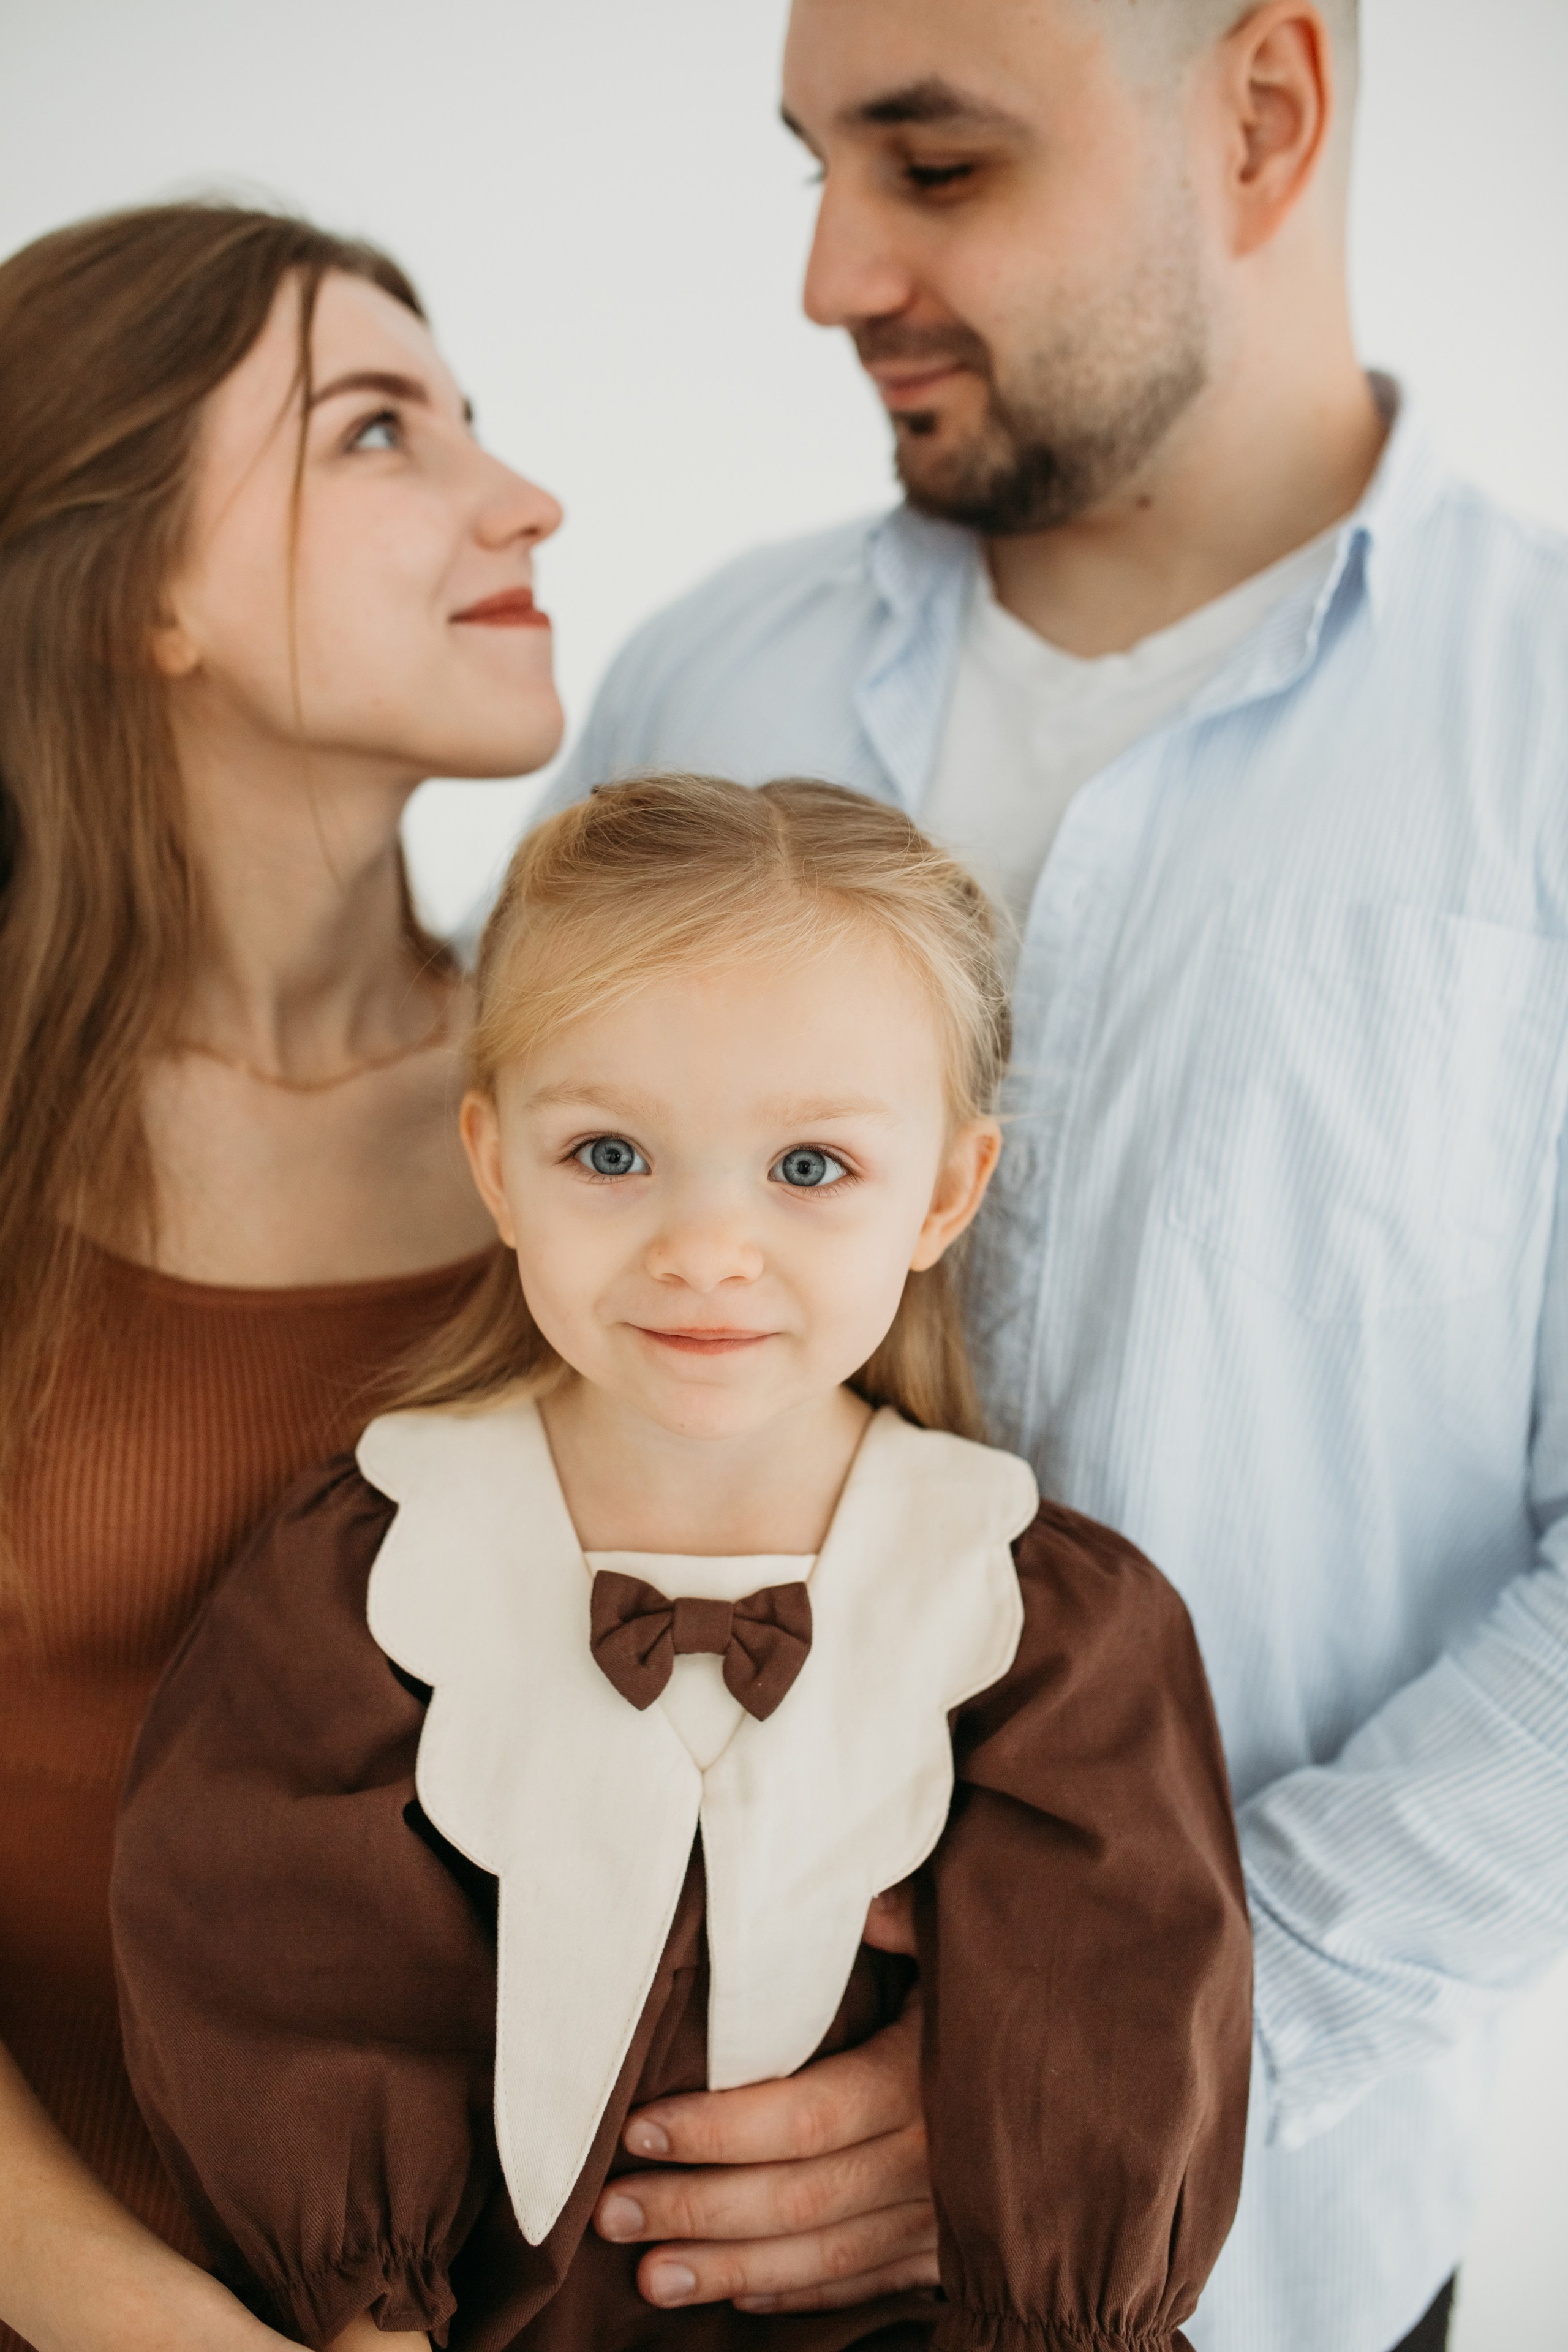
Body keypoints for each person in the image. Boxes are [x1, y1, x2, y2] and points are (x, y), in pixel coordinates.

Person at [534, 4, 1568, 2351]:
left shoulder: (1548, 742)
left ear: (1264, 114)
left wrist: (1122, 2045)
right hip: (625, 2243)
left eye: (935, 164)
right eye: (810, 166)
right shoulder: (706, 687)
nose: (828, 275)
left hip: (1257, 2257)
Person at [110, 773, 1251, 2351]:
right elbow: (271, 1954)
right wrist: (362, 2309)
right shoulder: (380, 1569)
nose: (704, 1249)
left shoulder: (1032, 1616)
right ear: (496, 1163)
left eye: (805, 1169)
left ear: (943, 1191)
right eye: (610, 1155)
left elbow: (1115, 2006)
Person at [0, 201, 567, 2352]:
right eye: (374, 433)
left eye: (474, 422)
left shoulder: (622, 1119)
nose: (525, 497)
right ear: (143, 583)